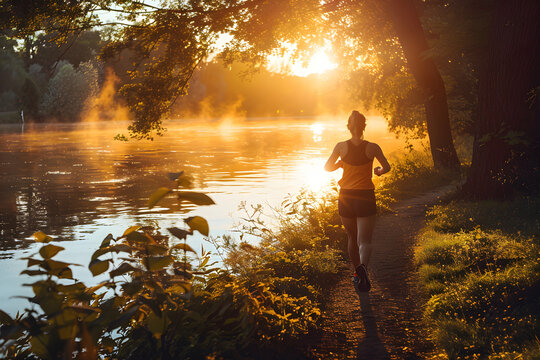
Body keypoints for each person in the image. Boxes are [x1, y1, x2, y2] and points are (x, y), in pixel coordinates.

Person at [324, 111, 391, 292]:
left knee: (352, 238)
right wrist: (378, 172)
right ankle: (364, 272)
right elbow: (387, 167)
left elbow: (327, 167)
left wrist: (340, 164)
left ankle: (357, 274)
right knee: (365, 241)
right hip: (365, 197)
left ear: (348, 127)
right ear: (364, 127)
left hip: (346, 197)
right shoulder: (373, 147)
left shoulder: (340, 147)